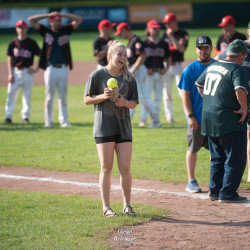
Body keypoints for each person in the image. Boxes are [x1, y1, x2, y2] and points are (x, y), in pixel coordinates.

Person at [84, 40, 138, 217]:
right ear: (110, 56)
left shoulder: (129, 78)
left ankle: (127, 206)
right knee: (106, 168)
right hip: (104, 127)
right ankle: (106, 208)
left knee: (125, 168)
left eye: (125, 55)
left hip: (123, 127)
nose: (123, 58)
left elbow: (134, 103)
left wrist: (125, 103)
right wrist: (102, 96)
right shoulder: (97, 75)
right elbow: (86, 99)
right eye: (119, 54)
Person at [196, 39, 250, 203]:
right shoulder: (236, 69)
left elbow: (199, 84)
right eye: (244, 56)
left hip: (209, 119)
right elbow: (240, 89)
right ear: (240, 55)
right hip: (228, 120)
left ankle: (215, 191)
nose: (243, 59)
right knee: (236, 158)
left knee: (217, 157)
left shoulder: (213, 66)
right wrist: (244, 108)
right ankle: (227, 193)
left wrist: (211, 100)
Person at [28, 11, 83, 128]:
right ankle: (48, 121)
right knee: (49, 96)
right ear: (51, 22)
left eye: (59, 20)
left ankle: (64, 121)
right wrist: (47, 15)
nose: (58, 22)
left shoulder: (65, 30)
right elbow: (31, 20)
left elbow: (79, 20)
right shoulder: (46, 31)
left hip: (63, 68)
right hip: (50, 68)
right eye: (55, 20)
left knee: (63, 96)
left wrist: (64, 15)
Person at [178, 36, 215, 193]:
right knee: (193, 148)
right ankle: (191, 180)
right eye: (200, 48)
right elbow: (185, 95)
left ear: (211, 49)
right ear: (196, 50)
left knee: (217, 151)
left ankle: (216, 180)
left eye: (206, 47)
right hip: (197, 119)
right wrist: (190, 116)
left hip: (214, 120)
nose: (203, 51)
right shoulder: (190, 70)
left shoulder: (217, 66)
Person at [216, 22, 250, 183]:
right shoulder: (239, 46)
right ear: (248, 31)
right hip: (236, 100)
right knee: (230, 138)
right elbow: (217, 60)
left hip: (246, 98)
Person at [4, 20, 40, 125]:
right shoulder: (12, 42)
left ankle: (25, 117)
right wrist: (10, 74)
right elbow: (10, 58)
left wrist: (36, 68)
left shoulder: (32, 42)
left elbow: (41, 55)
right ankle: (8, 116)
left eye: (23, 27)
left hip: (27, 72)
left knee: (27, 95)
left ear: (26, 29)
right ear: (16, 29)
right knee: (11, 94)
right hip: (15, 72)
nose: (21, 29)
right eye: (19, 27)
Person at [114, 22, 147, 122]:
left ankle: (155, 120)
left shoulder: (136, 40)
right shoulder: (130, 41)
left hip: (139, 70)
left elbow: (142, 56)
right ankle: (128, 119)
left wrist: (133, 69)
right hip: (135, 70)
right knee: (132, 95)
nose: (120, 35)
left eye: (120, 33)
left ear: (125, 30)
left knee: (143, 97)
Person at [142, 20, 171, 128]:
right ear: (148, 30)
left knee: (158, 97)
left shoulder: (163, 43)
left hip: (160, 73)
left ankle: (155, 120)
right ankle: (143, 119)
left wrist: (166, 68)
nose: (156, 30)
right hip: (148, 74)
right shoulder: (144, 43)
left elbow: (168, 57)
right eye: (153, 28)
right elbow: (140, 58)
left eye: (157, 28)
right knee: (146, 98)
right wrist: (145, 69)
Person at [161, 13, 189, 123]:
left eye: (168, 23)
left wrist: (172, 37)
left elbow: (181, 49)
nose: (166, 25)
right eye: (166, 23)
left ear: (174, 22)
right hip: (166, 66)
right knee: (166, 93)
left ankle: (188, 115)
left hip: (178, 66)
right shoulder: (164, 34)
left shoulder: (183, 33)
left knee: (182, 92)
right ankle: (169, 118)